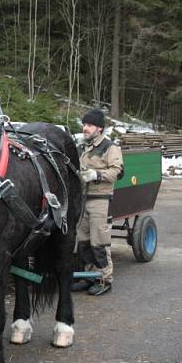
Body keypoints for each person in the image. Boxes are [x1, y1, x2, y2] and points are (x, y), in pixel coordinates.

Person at [71, 109, 123, 296]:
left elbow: (118, 171)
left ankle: (104, 280)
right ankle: (88, 276)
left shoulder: (110, 148)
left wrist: (96, 174)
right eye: (84, 124)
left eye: (90, 125)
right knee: (83, 242)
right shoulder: (82, 147)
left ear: (99, 128)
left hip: (100, 200)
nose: (85, 128)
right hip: (83, 200)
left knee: (99, 243)